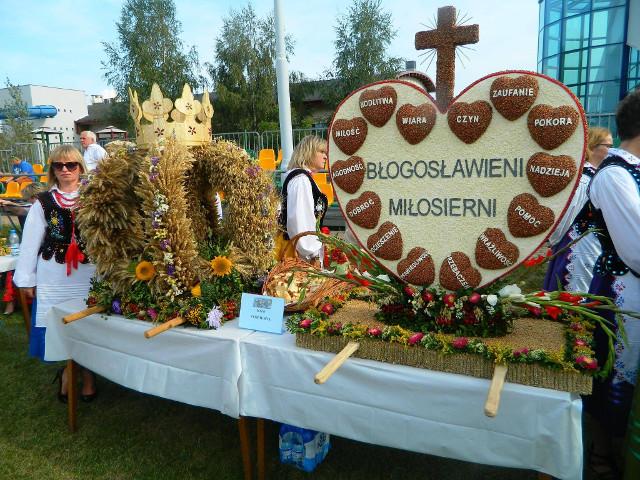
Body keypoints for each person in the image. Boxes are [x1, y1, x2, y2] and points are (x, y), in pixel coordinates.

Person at [14, 145, 97, 402]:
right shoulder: (43, 201)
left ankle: (87, 373)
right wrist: (26, 279)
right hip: (54, 274)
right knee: (58, 324)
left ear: (80, 167)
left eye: (71, 165)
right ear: (52, 169)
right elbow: (30, 242)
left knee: (88, 323)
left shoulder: (95, 197)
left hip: (88, 273)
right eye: (59, 165)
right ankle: (68, 371)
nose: (65, 170)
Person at [585, 89, 640, 477]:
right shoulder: (615, 175)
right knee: (614, 378)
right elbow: (636, 247)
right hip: (622, 293)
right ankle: (603, 451)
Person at [543, 127, 612, 292]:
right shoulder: (584, 178)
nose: (611, 150)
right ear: (593, 147)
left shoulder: (598, 175)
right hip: (579, 244)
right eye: (608, 146)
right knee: (576, 290)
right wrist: (557, 241)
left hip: (593, 243)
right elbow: (568, 213)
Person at [278, 136, 329, 262]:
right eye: (322, 152)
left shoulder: (302, 178)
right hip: (300, 256)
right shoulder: (301, 180)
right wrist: (312, 253)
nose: (326, 157)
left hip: (301, 252)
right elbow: (299, 220)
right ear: (309, 152)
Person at [1, 182, 47, 315]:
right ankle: (12, 302)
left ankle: (15, 303)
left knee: (16, 269)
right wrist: (9, 204)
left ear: (35, 196)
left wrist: (10, 205)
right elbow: (23, 208)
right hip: (34, 250)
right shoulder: (33, 206)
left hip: (43, 252)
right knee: (13, 270)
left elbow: (22, 210)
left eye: (30, 198)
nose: (29, 201)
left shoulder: (43, 208)